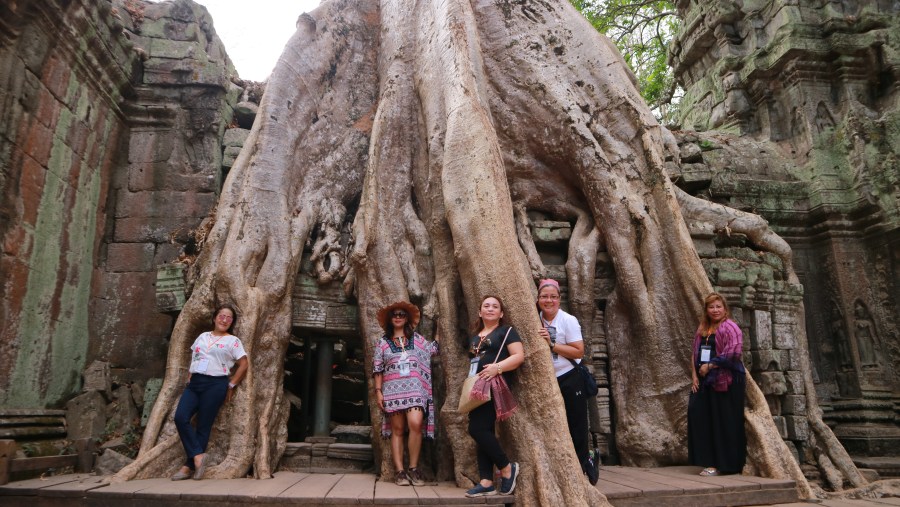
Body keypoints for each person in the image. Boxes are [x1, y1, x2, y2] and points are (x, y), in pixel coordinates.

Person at [171, 305, 248, 480]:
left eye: (229, 318)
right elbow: (195, 357)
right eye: (222, 316)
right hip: (195, 383)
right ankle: (198, 456)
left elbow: (244, 364)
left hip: (216, 384)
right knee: (180, 417)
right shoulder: (203, 336)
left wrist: (232, 385)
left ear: (232, 322)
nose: (225, 319)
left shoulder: (233, 341)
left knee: (203, 426)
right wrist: (190, 376)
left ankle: (187, 467)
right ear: (214, 318)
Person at [536, 278, 597, 485]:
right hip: (544, 380)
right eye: (544, 296)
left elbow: (578, 351)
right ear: (538, 299)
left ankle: (580, 467)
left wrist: (552, 345)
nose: (549, 300)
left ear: (560, 299)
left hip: (569, 377)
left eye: (553, 296)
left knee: (576, 423)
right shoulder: (535, 319)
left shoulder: (567, 320)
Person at [372, 301, 438, 487]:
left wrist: (442, 326)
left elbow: (433, 349)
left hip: (416, 390)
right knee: (398, 430)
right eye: (395, 314)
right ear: (390, 319)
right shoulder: (383, 343)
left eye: (402, 314)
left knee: (416, 424)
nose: (398, 317)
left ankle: (413, 468)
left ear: (407, 318)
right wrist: (378, 392)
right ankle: (400, 472)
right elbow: (377, 368)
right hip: (392, 390)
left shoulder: (417, 340)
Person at [465, 295, 525, 497]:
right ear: (480, 312)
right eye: (486, 306)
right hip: (476, 388)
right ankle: (486, 481)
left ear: (501, 313)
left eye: (495, 306)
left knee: (477, 429)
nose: (490, 309)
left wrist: (497, 368)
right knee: (484, 430)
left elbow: (518, 356)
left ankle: (507, 467)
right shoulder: (476, 336)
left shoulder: (506, 331)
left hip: (494, 385)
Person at [688, 292, 747, 476]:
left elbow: (733, 353)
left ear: (725, 308)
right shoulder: (703, 328)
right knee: (703, 419)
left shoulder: (730, 327)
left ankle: (726, 464)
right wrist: (695, 375)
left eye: (718, 306)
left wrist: (711, 365)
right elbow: (694, 352)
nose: (715, 310)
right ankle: (709, 460)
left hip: (726, 382)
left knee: (725, 421)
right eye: (711, 307)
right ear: (706, 310)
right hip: (705, 381)